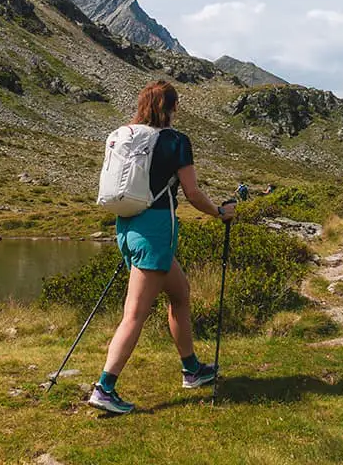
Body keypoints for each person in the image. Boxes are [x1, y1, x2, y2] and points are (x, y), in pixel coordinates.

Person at [87, 79, 237, 416]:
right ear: (172, 107)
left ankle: (192, 369)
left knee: (180, 294)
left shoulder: (125, 135)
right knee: (135, 314)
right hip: (155, 233)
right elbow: (193, 193)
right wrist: (219, 213)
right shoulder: (175, 141)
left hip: (127, 227)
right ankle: (105, 387)